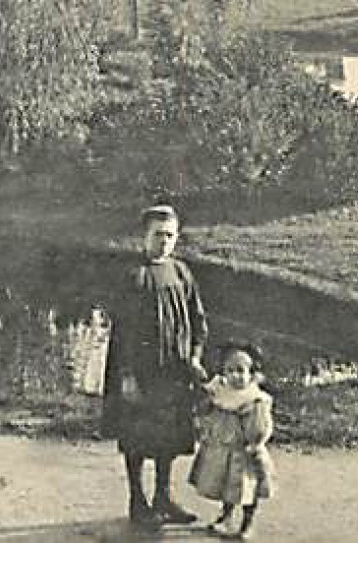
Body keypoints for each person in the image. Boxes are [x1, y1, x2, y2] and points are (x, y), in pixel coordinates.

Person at [102, 202, 209, 529]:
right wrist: (127, 376)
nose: (164, 242)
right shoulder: (133, 276)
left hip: (174, 371)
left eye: (170, 235)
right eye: (158, 235)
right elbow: (122, 333)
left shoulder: (181, 273)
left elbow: (197, 319)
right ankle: (138, 500)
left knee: (169, 434)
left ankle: (163, 497)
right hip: (141, 371)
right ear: (143, 237)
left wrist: (194, 356)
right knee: (136, 434)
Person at [189, 343, 276, 541]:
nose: (235, 376)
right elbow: (207, 412)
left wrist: (255, 442)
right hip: (222, 448)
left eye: (241, 371)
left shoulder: (254, 399)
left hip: (244, 451)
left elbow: (260, 426)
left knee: (247, 489)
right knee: (226, 486)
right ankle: (225, 516)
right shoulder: (220, 391)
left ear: (251, 374)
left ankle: (247, 524)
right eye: (230, 370)